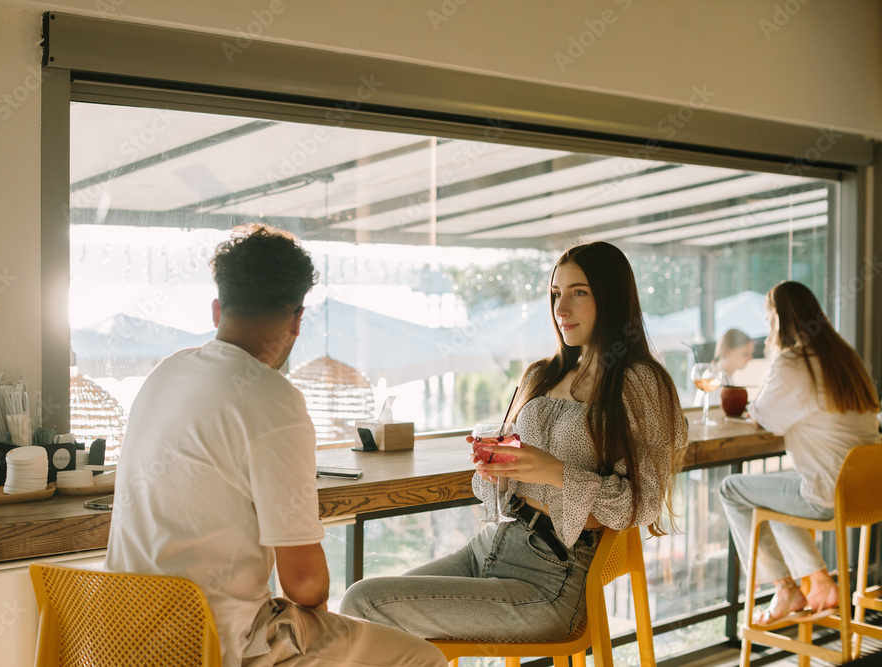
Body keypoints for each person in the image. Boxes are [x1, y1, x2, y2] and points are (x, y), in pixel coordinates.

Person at [105, 225, 447, 667]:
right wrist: (318, 618)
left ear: (216, 311)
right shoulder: (274, 399)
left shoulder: (165, 374)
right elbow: (304, 582)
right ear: (296, 320)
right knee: (422, 658)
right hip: (212, 644)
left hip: (116, 634)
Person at [340, 241, 687, 642]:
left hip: (551, 579)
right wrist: (494, 468)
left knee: (364, 603)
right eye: (556, 294)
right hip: (490, 545)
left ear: (610, 296)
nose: (561, 309)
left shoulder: (641, 383)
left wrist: (555, 472)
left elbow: (640, 504)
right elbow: (511, 476)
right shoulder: (542, 373)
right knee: (362, 615)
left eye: (579, 293)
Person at [719, 281, 881, 628]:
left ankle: (785, 587)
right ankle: (820, 583)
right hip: (868, 492)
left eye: (767, 318)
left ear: (776, 318)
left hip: (829, 494)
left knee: (731, 488)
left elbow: (764, 415)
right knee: (775, 496)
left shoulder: (795, 362)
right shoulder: (844, 357)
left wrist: (774, 358)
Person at [692, 328, 753, 406]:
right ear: (728, 352)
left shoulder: (723, 377)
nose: (750, 359)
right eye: (745, 354)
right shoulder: (716, 381)